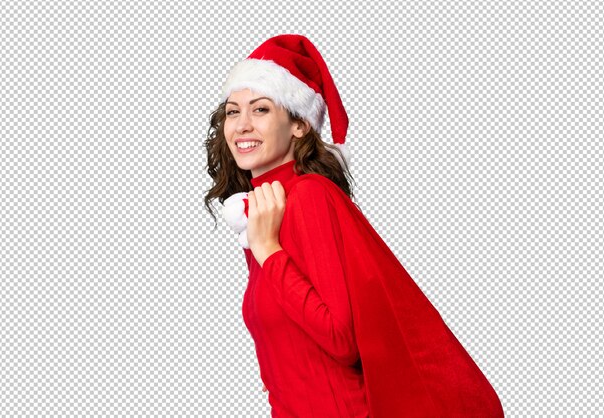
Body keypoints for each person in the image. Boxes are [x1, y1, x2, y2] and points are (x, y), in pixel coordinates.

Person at [204, 34, 504, 418]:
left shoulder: (310, 197)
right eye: (233, 112)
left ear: (299, 124)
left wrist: (269, 252)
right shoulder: (263, 211)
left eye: (260, 110)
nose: (242, 125)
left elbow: (341, 338)